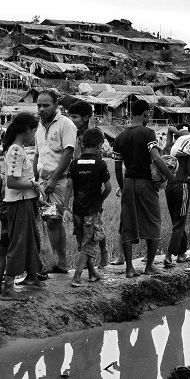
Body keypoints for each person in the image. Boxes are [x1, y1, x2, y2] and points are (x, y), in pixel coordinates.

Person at [114, 101, 176, 276]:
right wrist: (171, 177)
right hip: (145, 183)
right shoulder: (148, 133)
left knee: (128, 224)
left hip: (128, 182)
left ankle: (129, 268)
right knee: (153, 221)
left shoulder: (120, 137)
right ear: (145, 114)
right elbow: (156, 158)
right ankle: (149, 266)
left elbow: (118, 166)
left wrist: (122, 185)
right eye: (149, 114)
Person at [0, 112, 45, 300]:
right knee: (19, 243)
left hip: (25, 201)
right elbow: (12, 182)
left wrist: (35, 196)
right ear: (26, 130)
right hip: (18, 204)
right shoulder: (16, 151)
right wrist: (35, 185)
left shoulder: (19, 149)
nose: (34, 136)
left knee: (32, 239)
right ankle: (8, 287)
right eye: (33, 131)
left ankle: (32, 276)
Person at [34, 89, 78, 275]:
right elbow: (37, 154)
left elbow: (68, 153)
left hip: (58, 182)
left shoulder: (65, 124)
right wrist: (35, 180)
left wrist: (52, 179)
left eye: (46, 105)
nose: (42, 109)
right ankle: (60, 261)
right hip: (43, 182)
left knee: (52, 221)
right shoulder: (39, 126)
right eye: (39, 105)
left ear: (56, 106)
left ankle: (56, 261)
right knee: (49, 221)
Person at [66, 99, 109, 266]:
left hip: (92, 179)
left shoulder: (94, 135)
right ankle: (88, 262)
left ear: (85, 118)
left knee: (96, 223)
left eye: (75, 117)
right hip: (78, 178)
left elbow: (99, 161)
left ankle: (103, 251)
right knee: (81, 225)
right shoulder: (73, 133)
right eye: (70, 116)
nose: (71, 120)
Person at [69, 127, 112, 287]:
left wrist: (66, 207)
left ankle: (93, 273)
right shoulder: (99, 164)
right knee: (89, 244)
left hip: (77, 210)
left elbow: (68, 186)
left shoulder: (74, 163)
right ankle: (77, 277)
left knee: (82, 242)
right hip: (92, 211)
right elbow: (108, 188)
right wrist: (99, 201)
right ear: (99, 145)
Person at [162, 125, 190, 267]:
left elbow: (169, 128)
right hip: (182, 186)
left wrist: (177, 132)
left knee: (177, 221)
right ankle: (169, 256)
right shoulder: (187, 150)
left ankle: (181, 254)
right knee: (179, 222)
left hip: (169, 186)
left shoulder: (171, 148)